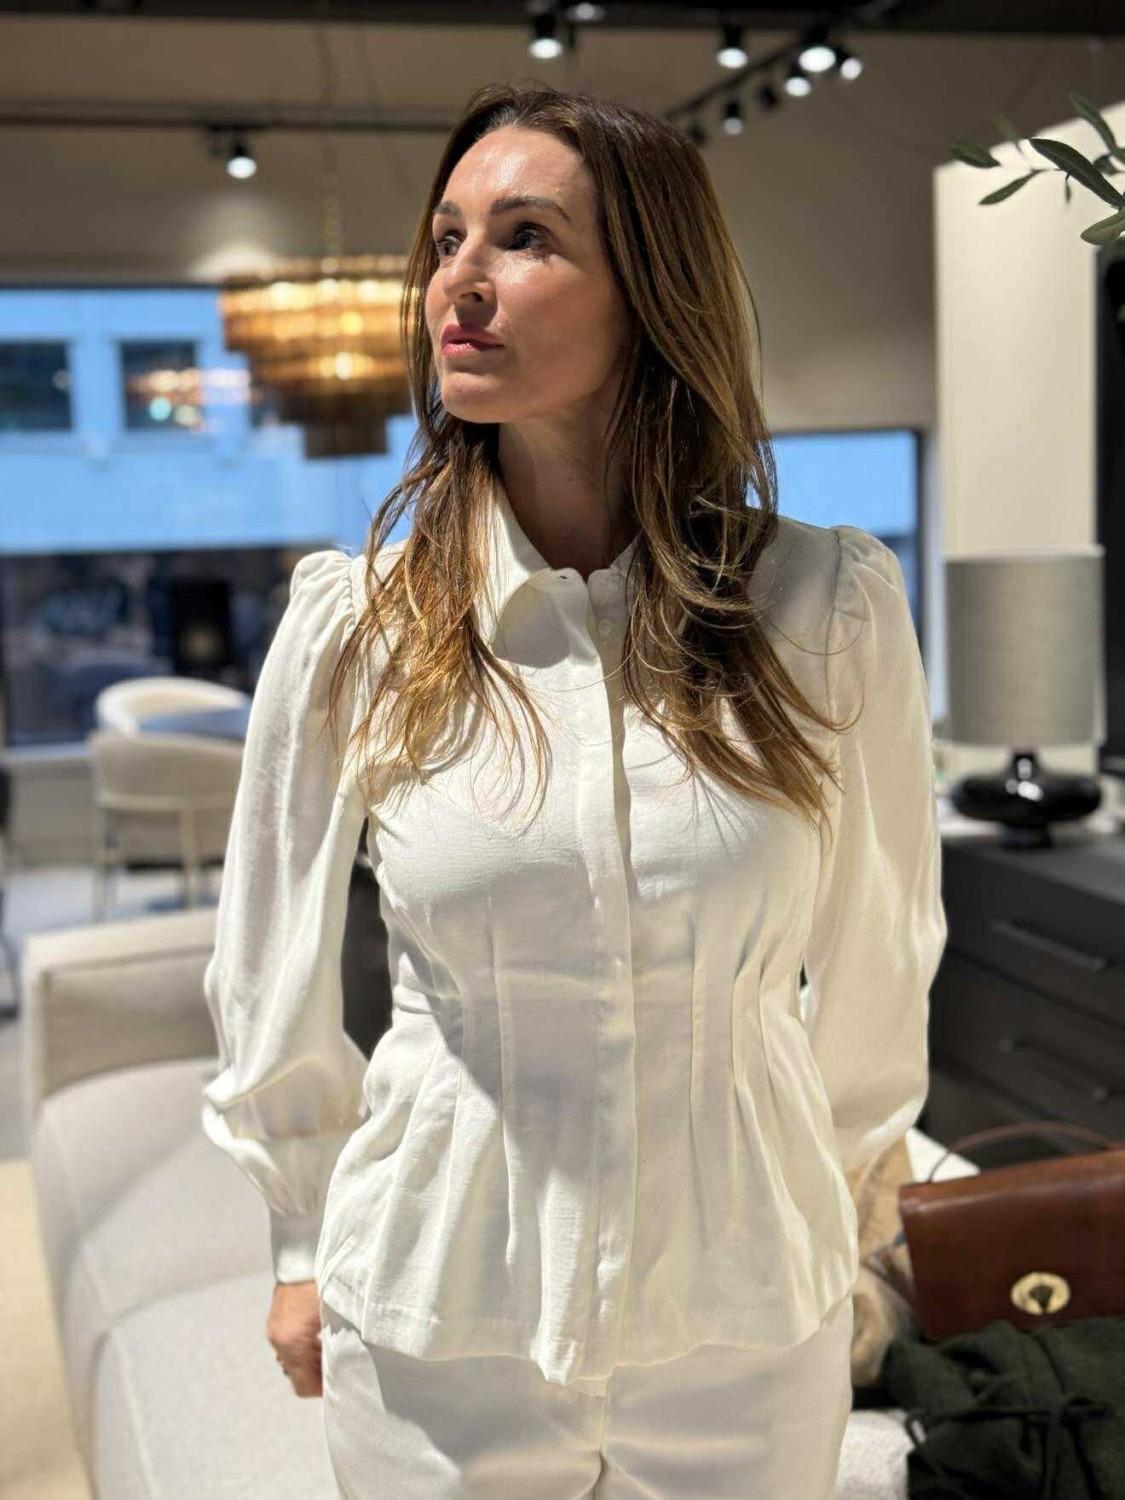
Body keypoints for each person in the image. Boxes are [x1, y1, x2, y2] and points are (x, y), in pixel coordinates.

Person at [201, 79, 947, 1500]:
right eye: (446, 241)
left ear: (652, 293)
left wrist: (856, 1208)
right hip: (440, 1305)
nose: (458, 282)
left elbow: (878, 953)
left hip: (743, 1306)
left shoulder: (824, 604)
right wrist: (298, 1237)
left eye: (525, 237)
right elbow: (267, 968)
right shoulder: (361, 625)